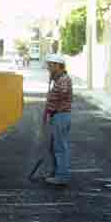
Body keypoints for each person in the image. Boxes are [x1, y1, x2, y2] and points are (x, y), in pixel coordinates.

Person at [43, 53, 72, 186]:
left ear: (58, 66)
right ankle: (56, 172)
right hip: (57, 116)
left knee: (60, 147)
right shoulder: (58, 79)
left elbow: (63, 93)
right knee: (54, 147)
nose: (48, 67)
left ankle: (62, 176)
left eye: (50, 65)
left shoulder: (63, 79)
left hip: (61, 115)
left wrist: (54, 79)